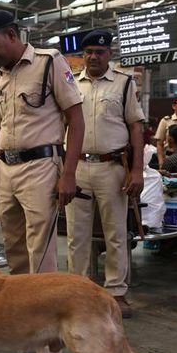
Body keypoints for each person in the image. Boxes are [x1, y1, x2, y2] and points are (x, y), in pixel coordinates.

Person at [0, 10, 85, 353]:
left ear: (11, 34)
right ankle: (26, 335)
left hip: (41, 167)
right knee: (16, 257)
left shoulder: (50, 62)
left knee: (42, 257)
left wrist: (68, 173)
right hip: (7, 169)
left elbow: (76, 119)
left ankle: (50, 348)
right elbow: (0, 136)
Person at [66, 30, 145, 319]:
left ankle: (116, 293)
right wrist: (66, 171)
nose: (93, 57)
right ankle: (79, 292)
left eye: (99, 52)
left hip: (113, 168)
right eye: (88, 52)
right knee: (77, 235)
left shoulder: (124, 84)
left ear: (110, 54)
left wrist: (136, 169)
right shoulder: (72, 84)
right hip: (78, 168)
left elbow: (136, 127)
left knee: (116, 233)